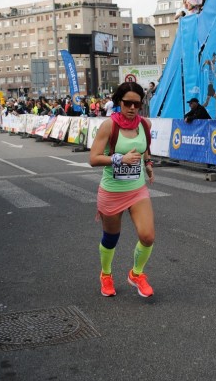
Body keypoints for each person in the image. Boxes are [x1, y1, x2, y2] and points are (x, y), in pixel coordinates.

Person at [89, 82, 156, 298]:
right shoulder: (109, 126)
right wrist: (120, 158)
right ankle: (106, 274)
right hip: (112, 191)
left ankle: (136, 274)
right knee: (111, 238)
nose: (132, 108)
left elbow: (144, 150)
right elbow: (93, 159)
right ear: (119, 102)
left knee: (148, 236)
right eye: (127, 103)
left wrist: (148, 165)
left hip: (137, 189)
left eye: (137, 104)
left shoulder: (145, 125)